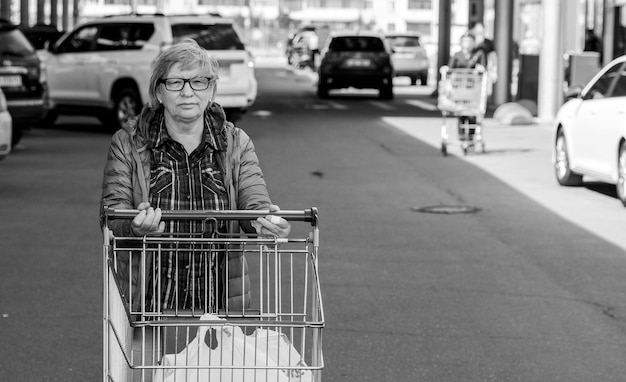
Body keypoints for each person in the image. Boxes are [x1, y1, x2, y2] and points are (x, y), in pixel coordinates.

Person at [99, 39, 291, 312]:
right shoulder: (128, 143)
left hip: (218, 310)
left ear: (211, 89)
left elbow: (254, 202)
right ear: (159, 92)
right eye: (176, 82)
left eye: (199, 82)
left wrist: (265, 223)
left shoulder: (236, 143)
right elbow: (111, 213)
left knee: (219, 357)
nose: (188, 92)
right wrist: (134, 227)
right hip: (148, 308)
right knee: (145, 356)